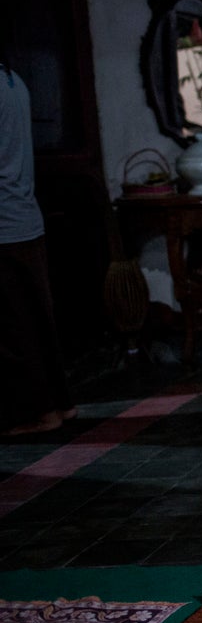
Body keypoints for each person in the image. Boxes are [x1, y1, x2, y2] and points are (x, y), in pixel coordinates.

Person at [0, 60, 76, 435]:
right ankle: (62, 403)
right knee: (39, 320)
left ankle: (40, 413)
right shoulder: (13, 81)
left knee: (14, 327)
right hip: (26, 216)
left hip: (4, 223)